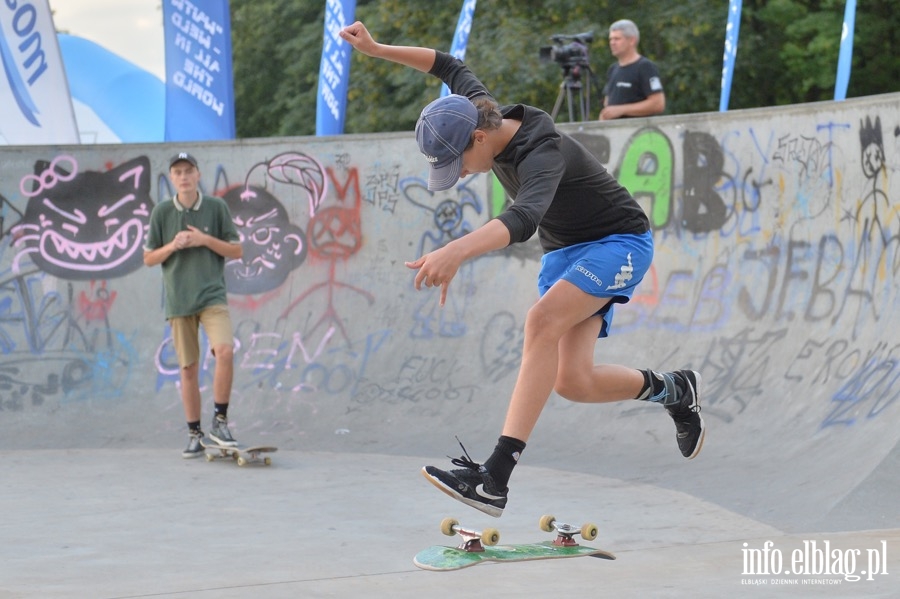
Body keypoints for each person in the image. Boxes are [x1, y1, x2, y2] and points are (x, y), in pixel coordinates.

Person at [340, 22, 704, 517]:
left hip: (618, 241)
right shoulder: (476, 107)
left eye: (460, 163)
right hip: (565, 251)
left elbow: (523, 219)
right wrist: (378, 50)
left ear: (477, 136)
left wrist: (455, 251)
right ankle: (673, 389)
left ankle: (495, 477)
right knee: (572, 381)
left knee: (540, 322)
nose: (462, 173)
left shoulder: (541, 150)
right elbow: (448, 65)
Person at [144, 152, 244, 458]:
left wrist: (203, 240)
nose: (184, 176)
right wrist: (173, 245)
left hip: (212, 296)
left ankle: (220, 421)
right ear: (172, 179)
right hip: (180, 299)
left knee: (225, 351)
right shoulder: (162, 212)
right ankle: (194, 434)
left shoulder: (216, 207)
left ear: (198, 175)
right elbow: (148, 258)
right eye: (178, 172)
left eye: (189, 171)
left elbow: (237, 250)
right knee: (188, 368)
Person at [599, 19, 665, 120]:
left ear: (632, 41)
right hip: (614, 132)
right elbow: (608, 105)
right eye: (610, 39)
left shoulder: (645, 67)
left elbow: (658, 104)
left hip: (639, 132)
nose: (612, 43)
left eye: (617, 39)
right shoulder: (612, 69)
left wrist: (621, 110)